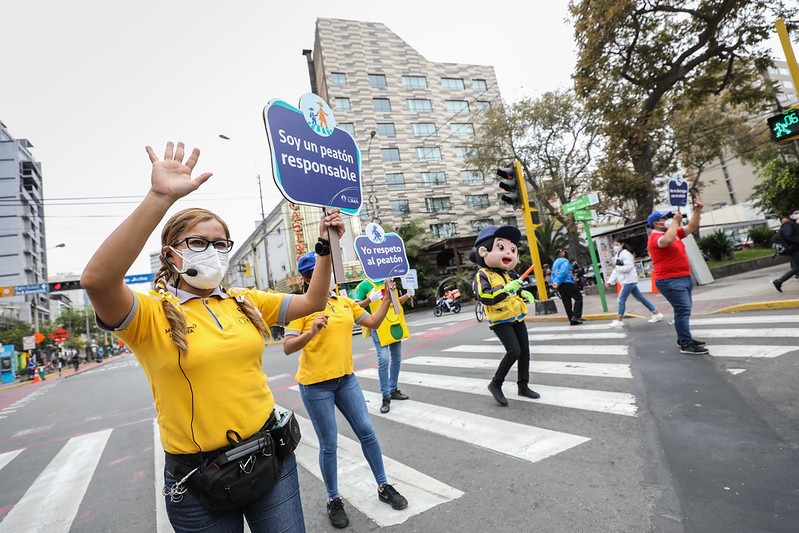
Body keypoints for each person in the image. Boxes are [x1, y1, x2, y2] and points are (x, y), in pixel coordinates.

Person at [80, 141, 344, 533]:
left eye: (220, 244)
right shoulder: (150, 314)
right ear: (171, 256)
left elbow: (314, 300)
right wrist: (160, 197)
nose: (214, 252)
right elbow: (97, 280)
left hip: (270, 458)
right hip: (198, 481)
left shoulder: (244, 301)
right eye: (199, 243)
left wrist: (324, 245)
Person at [284, 252, 408, 529]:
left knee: (367, 431)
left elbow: (373, 322)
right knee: (329, 444)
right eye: (321, 273)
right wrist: (311, 331)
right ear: (308, 279)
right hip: (315, 385)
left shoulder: (345, 302)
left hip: (345, 380)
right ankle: (333, 499)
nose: (328, 278)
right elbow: (288, 346)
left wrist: (387, 298)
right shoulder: (300, 307)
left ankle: (383, 486)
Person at [470, 225, 539, 407]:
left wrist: (522, 294)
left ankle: (523, 386)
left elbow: (513, 291)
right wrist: (504, 290)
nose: (509, 253)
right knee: (514, 351)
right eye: (502, 248)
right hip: (500, 320)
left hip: (516, 316)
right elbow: (484, 297)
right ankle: (495, 384)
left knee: (524, 352)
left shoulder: (509, 273)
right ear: (484, 251)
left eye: (512, 249)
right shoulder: (482, 274)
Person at [646, 195, 707, 355]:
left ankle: (683, 338)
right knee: (683, 310)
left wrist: (697, 210)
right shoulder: (655, 237)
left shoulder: (673, 232)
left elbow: (691, 227)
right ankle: (686, 344)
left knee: (683, 310)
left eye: (668, 217)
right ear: (655, 223)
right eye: (664, 218)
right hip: (670, 280)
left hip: (683, 277)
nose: (668, 220)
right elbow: (667, 241)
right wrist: (674, 222)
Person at [355, 278, 413, 414]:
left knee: (397, 358)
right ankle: (385, 396)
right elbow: (356, 307)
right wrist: (370, 299)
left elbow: (395, 303)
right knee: (384, 359)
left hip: (393, 324)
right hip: (378, 327)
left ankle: (393, 390)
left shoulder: (390, 281)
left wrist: (407, 295)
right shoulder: (365, 285)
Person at [604, 237, 663, 327]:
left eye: (617, 244)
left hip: (629, 280)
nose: (615, 246)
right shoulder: (617, 255)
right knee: (640, 298)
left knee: (621, 299)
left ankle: (619, 320)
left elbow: (628, 267)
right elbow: (615, 271)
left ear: (622, 244)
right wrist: (609, 281)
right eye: (614, 245)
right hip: (626, 280)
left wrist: (616, 267)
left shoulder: (626, 254)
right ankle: (656, 313)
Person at [550, 248, 584, 325]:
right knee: (578, 297)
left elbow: (552, 274)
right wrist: (558, 282)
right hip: (566, 282)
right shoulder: (564, 261)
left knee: (566, 301)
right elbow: (563, 272)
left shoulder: (555, 263)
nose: (565, 253)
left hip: (559, 285)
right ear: (561, 253)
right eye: (563, 252)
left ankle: (571, 318)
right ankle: (576, 317)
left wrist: (554, 283)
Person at [772, 208, 799, 292]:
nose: (798, 214)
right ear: (791, 215)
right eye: (796, 213)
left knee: (796, 268)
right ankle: (778, 281)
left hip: (795, 249)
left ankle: (778, 281)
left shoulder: (794, 223)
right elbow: (788, 236)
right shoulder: (788, 224)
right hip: (794, 250)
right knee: (796, 269)